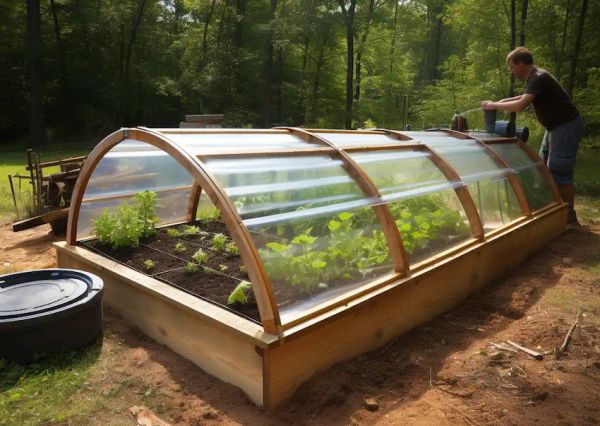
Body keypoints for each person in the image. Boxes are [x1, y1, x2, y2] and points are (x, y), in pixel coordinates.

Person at [481, 46, 584, 224]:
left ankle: (569, 217)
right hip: (555, 128)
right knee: (543, 165)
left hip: (565, 127)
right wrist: (494, 103)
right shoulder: (535, 76)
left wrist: (495, 106)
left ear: (521, 63)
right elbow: (519, 98)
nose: (511, 71)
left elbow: (520, 105)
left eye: (511, 67)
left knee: (560, 171)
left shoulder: (538, 77)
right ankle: (553, 209)